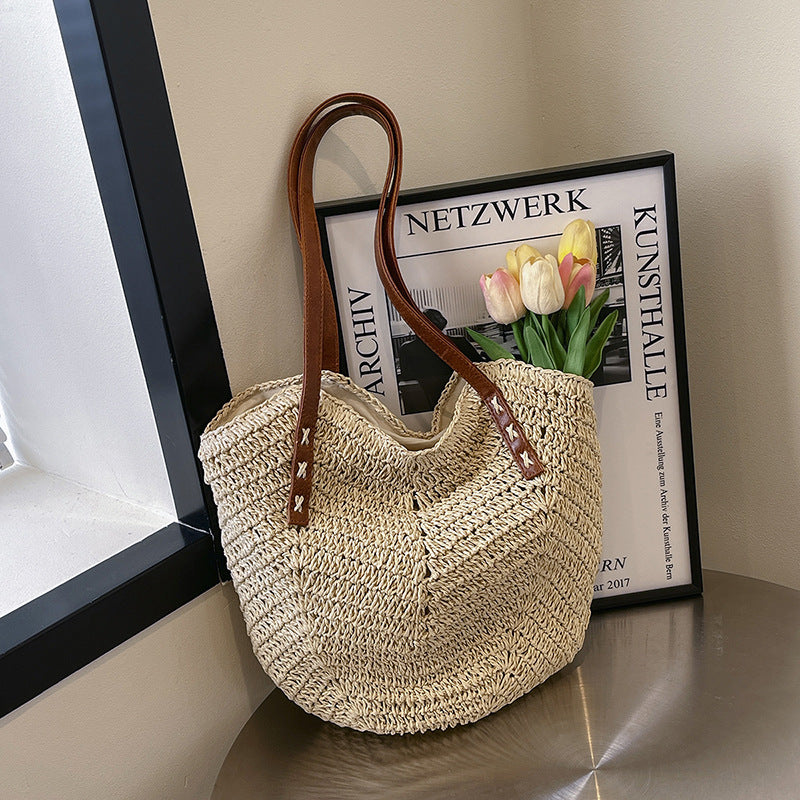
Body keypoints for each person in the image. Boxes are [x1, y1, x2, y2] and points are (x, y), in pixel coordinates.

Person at [398, 308, 482, 412]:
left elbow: (406, 377)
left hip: (429, 407)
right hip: (466, 403)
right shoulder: (460, 342)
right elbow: (481, 366)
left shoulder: (406, 349)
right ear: (442, 324)